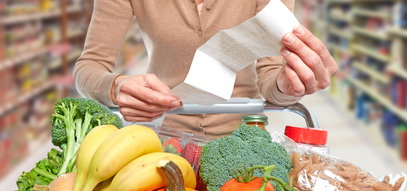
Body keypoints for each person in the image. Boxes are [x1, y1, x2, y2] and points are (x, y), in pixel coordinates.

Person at [74, 0, 338, 139]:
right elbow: (90, 65)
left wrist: (288, 84)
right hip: (163, 134)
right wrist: (115, 86)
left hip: (242, 135)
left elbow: (271, 79)